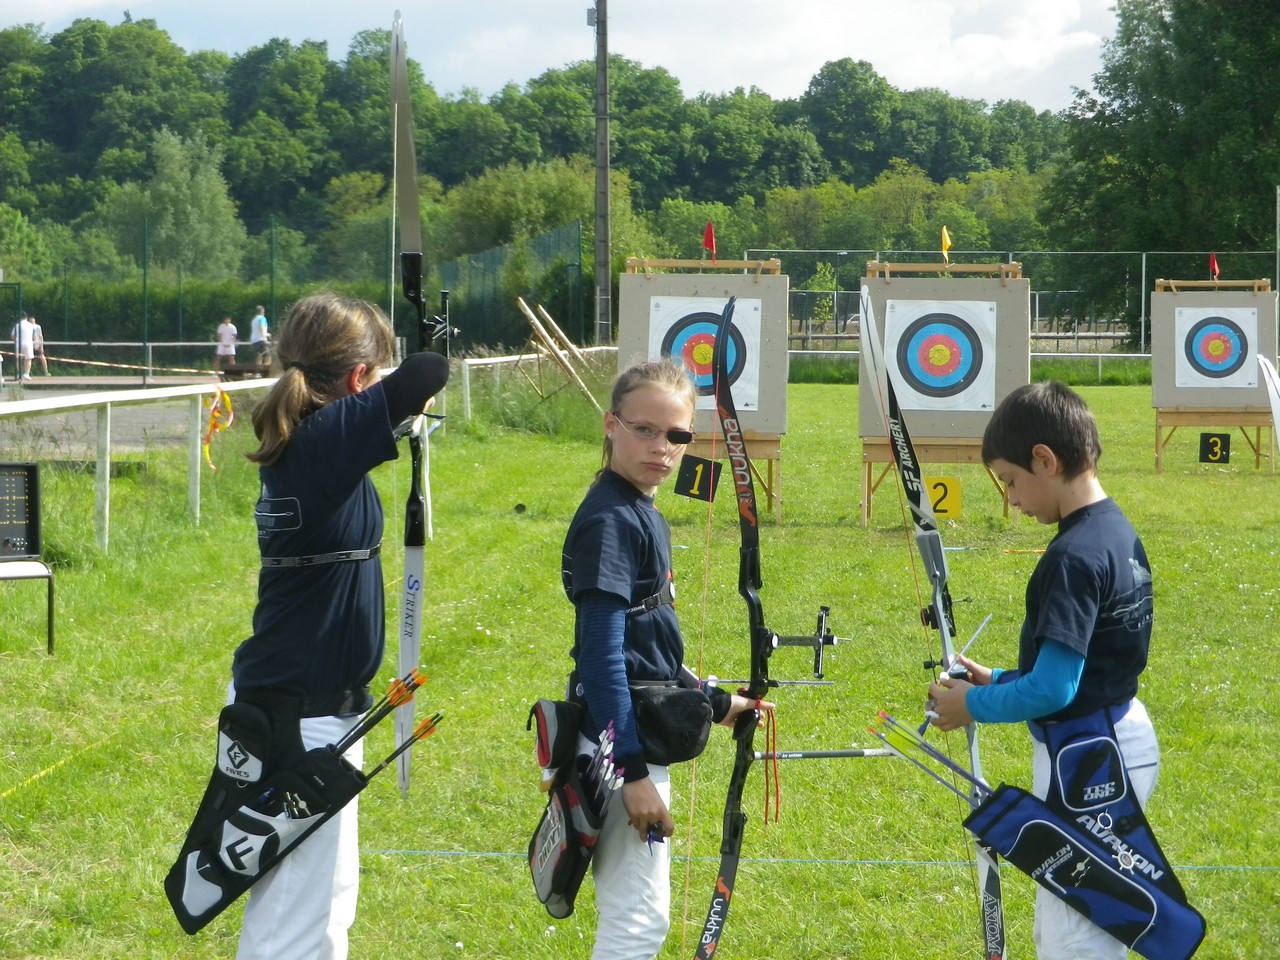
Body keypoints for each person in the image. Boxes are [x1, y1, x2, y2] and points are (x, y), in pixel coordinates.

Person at [227, 292, 449, 960]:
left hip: (303, 707)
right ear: (357, 380)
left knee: (319, 909)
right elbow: (427, 375)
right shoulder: (325, 440)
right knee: (295, 921)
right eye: (374, 375)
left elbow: (408, 385)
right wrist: (428, 339)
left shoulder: (313, 442)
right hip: (302, 717)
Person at [928, 381, 1159, 960]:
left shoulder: (1072, 557)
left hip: (1088, 756)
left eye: (1009, 480)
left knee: (1075, 932)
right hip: (1115, 733)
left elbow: (1056, 688)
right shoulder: (1114, 531)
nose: (1010, 497)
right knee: (1074, 918)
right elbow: (1088, 666)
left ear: (1045, 460)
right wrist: (999, 680)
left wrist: (968, 706)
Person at [561, 358, 770, 960]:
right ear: (611, 425)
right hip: (620, 742)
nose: (662, 447)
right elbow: (602, 659)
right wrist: (631, 774)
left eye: (677, 435)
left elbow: (644, 644)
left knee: (638, 922)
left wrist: (713, 700)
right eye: (644, 430)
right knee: (638, 925)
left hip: (627, 727)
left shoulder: (637, 507)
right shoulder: (611, 522)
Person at [10, 312, 35, 380]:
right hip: (28, 343)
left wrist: (17, 339)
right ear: (27, 317)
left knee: (18, 359)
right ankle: (26, 374)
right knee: (28, 359)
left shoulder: (17, 325)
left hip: (19, 344)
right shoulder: (31, 325)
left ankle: (19, 373)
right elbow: (33, 336)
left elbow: (12, 336)